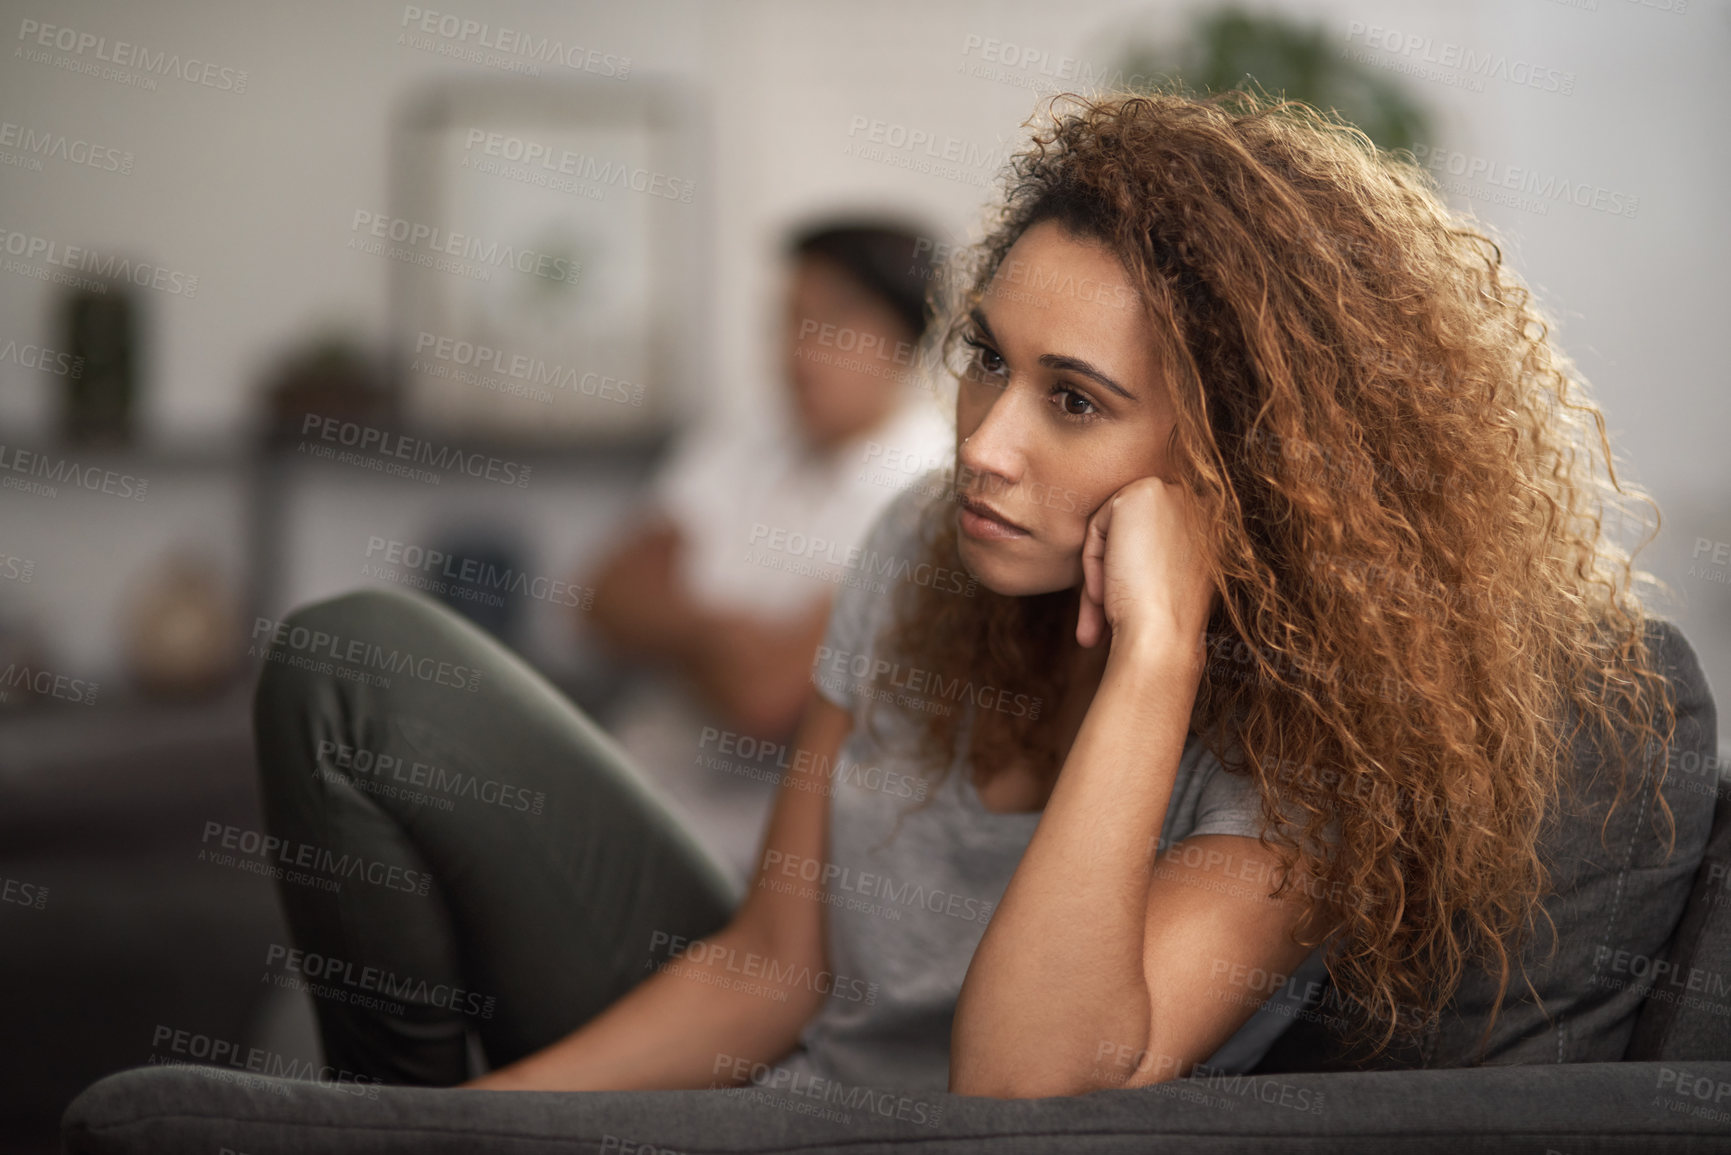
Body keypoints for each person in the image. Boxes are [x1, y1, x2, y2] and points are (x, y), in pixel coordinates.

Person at [251, 90, 1717, 1099]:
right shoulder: (915, 541)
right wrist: (465, 1125)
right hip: (771, 1081)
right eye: (984, 357)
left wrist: (1151, 659)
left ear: (1238, 464)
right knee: (354, 663)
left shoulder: (1314, 734)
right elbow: (770, 963)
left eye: (1072, 401)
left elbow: (1024, 1083)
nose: (982, 443)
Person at [577, 220, 953, 884]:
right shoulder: (752, 434)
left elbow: (762, 698)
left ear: (903, 337)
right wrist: (719, 633)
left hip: (760, 858)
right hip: (630, 778)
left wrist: (673, 624)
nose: (798, 352)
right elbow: (601, 597)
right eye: (788, 321)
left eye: (831, 323)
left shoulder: (927, 486)